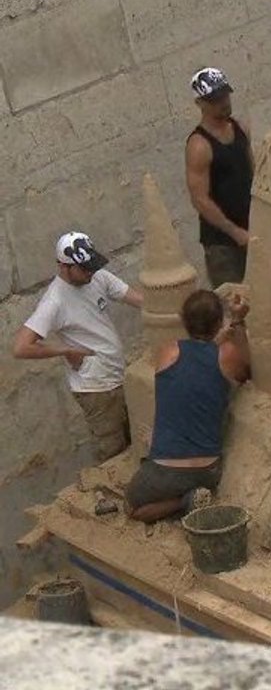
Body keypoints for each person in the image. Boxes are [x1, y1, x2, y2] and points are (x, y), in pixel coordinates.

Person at [12, 232, 143, 462]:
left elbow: (135, 298)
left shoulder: (97, 277)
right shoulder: (55, 301)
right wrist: (65, 350)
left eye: (91, 266)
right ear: (63, 267)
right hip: (95, 388)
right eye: (83, 269)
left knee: (136, 441)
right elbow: (21, 347)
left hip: (118, 374)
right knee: (112, 451)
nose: (90, 272)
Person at [126, 289, 250, 523]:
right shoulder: (227, 356)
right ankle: (197, 492)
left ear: (183, 321)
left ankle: (184, 501)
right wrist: (239, 320)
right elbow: (245, 370)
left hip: (165, 470)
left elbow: (188, 372)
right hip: (208, 470)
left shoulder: (168, 351)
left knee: (133, 507)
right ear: (219, 323)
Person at [185, 67, 254, 288]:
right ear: (201, 103)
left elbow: (253, 173)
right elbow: (200, 199)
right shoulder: (199, 145)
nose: (223, 103)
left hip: (252, 228)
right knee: (233, 300)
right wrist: (234, 232)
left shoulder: (240, 128)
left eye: (224, 95)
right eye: (215, 99)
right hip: (222, 243)